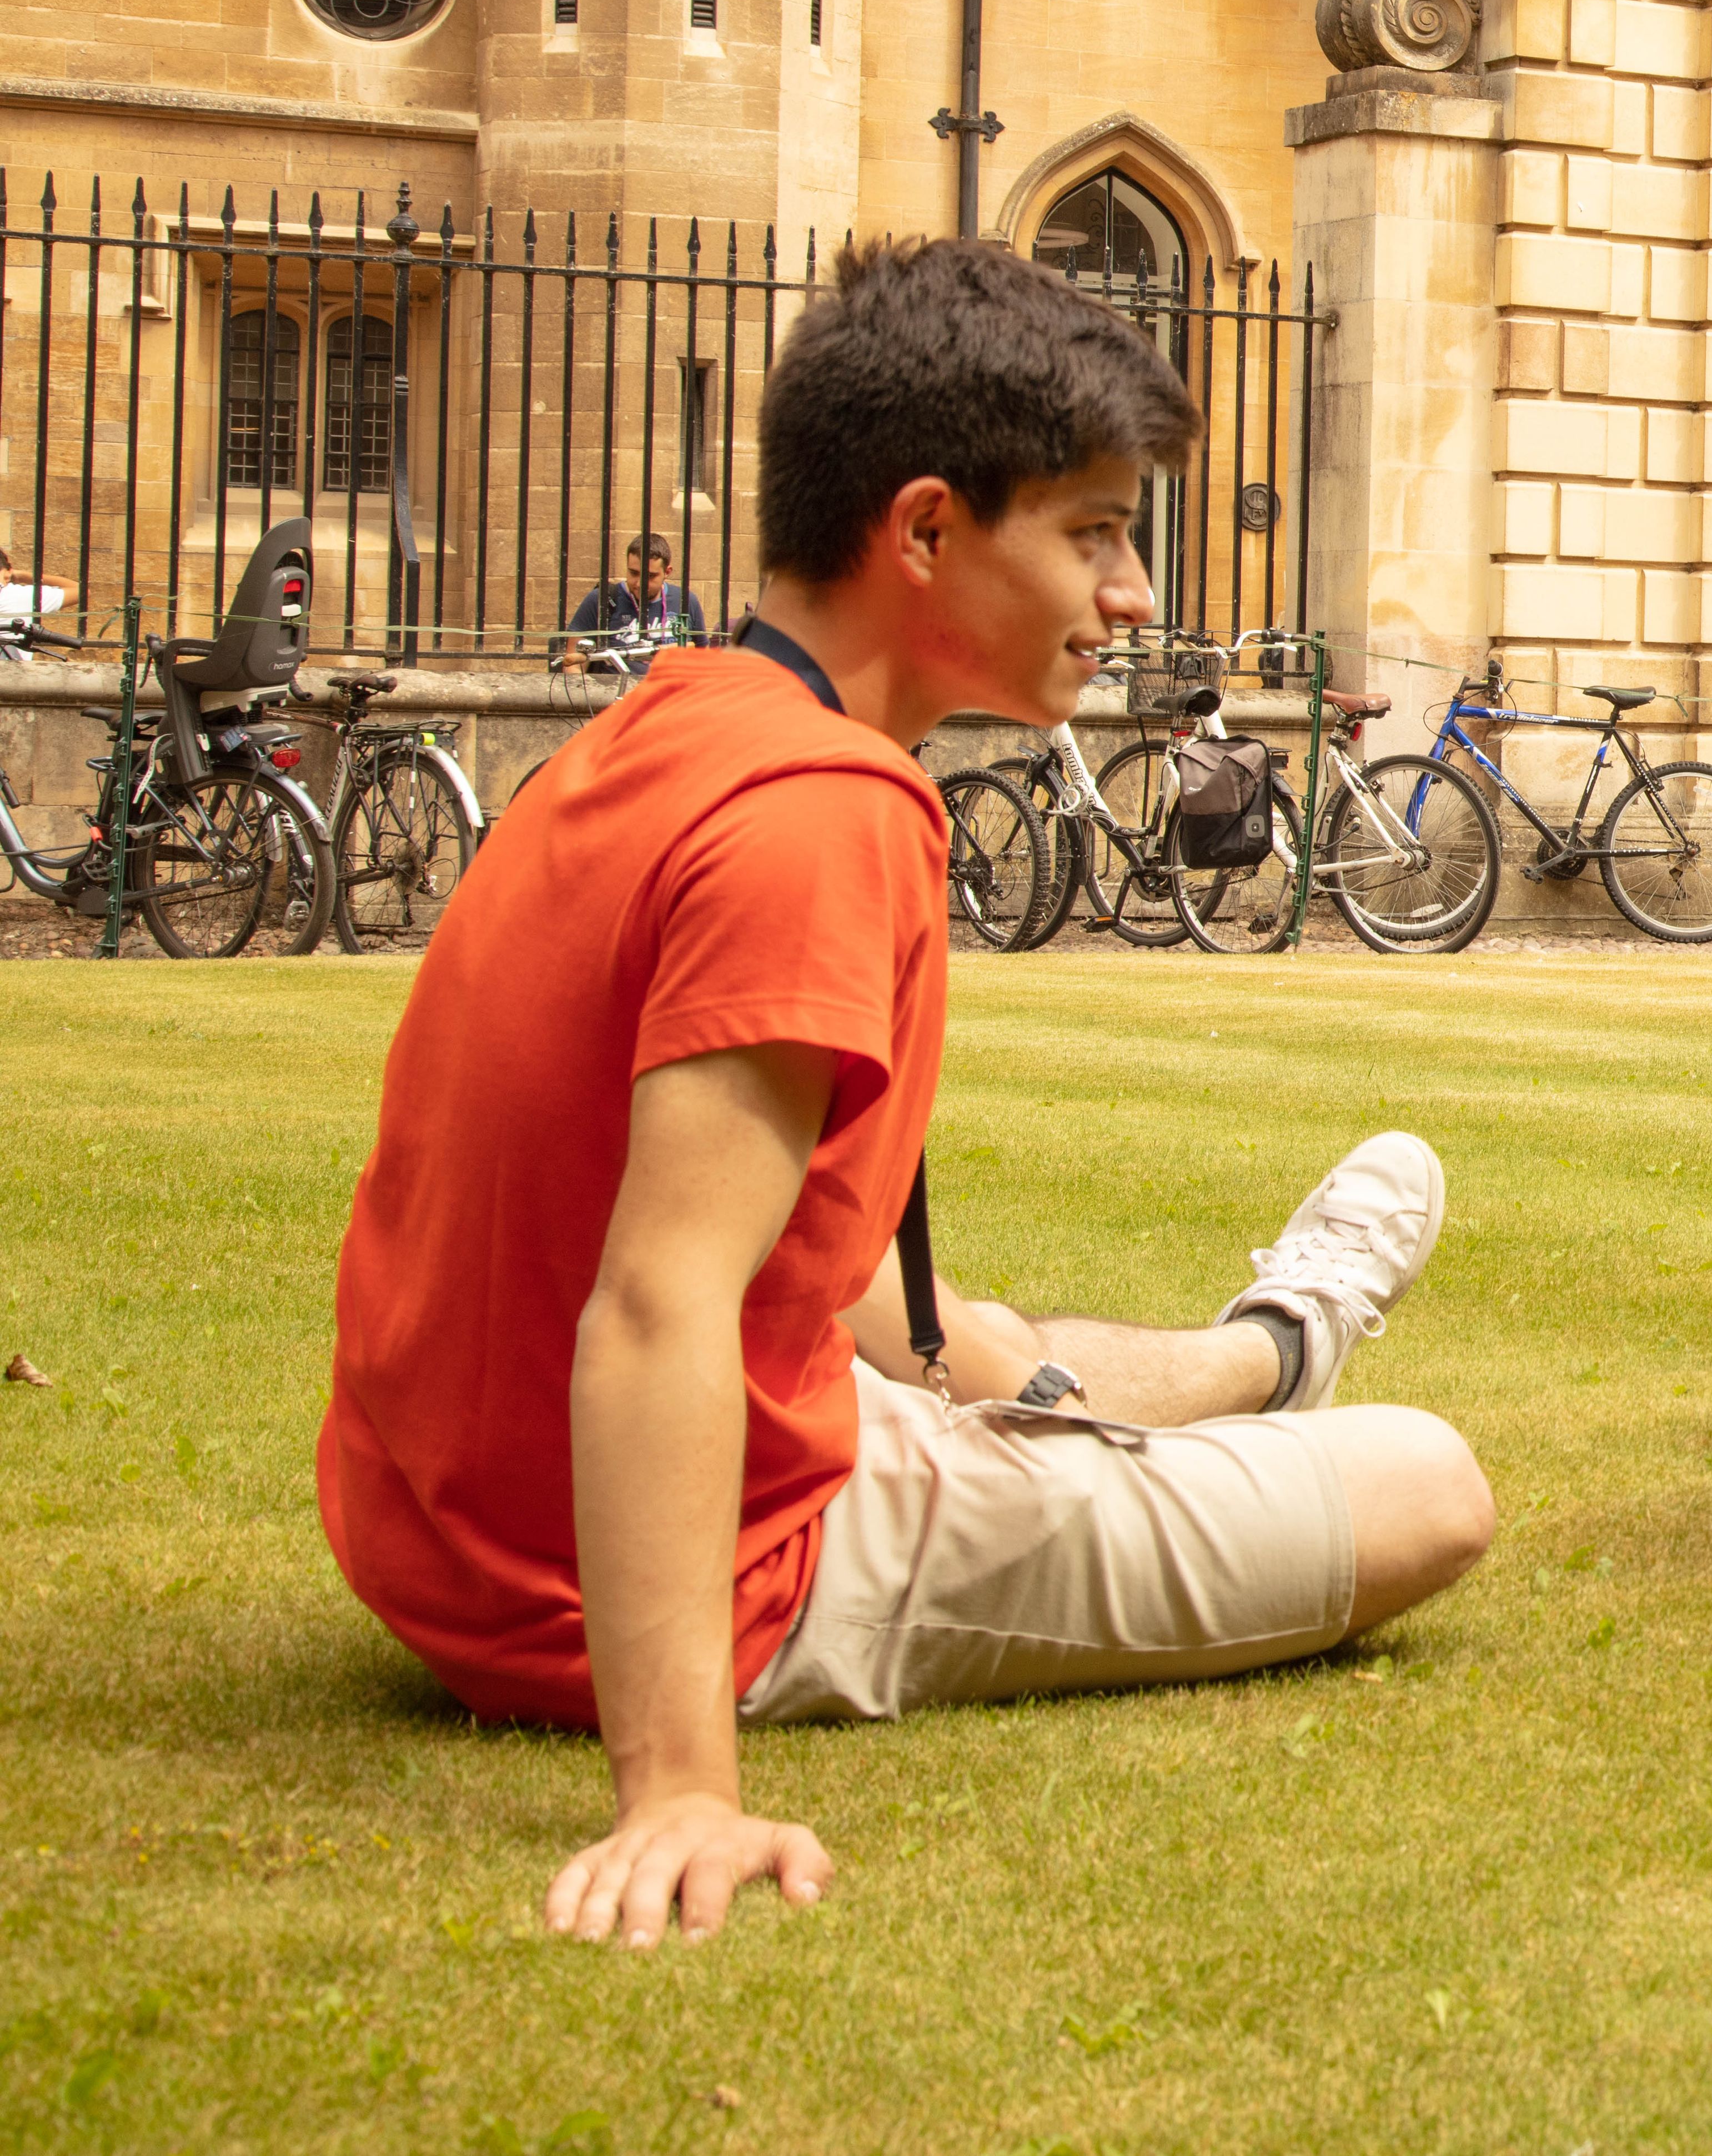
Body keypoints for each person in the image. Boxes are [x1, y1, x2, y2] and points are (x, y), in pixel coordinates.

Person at [320, 238, 1498, 1949]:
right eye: (1093, 530)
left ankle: (1270, 1343)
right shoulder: (817, 810)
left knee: (973, 1339)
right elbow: (660, 1300)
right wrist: (677, 1789)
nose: (1134, 593)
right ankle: (1274, 1369)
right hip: (649, 1577)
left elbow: (757, 1243)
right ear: (928, 529)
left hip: (446, 1535)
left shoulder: (662, 722)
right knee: (1427, 1483)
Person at [554, 534, 710, 672]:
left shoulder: (687, 601)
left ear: (667, 572)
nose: (639, 584)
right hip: (613, 694)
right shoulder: (601, 600)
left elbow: (704, 659)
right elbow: (574, 664)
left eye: (650, 576)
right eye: (634, 573)